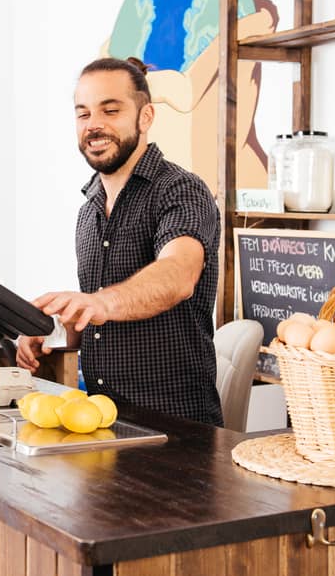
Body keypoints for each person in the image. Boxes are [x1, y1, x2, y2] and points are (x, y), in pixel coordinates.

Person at [16, 57, 223, 426]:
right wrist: (53, 333)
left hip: (178, 429)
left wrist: (100, 302)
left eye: (110, 110)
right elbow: (101, 319)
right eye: (83, 113)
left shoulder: (182, 190)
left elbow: (179, 274)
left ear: (146, 117)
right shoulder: (89, 209)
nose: (94, 124)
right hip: (103, 419)